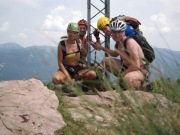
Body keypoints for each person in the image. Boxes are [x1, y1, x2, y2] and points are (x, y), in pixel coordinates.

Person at [94, 18, 149, 89]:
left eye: (119, 32)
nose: (116, 34)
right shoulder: (118, 44)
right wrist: (101, 47)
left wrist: (121, 76)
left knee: (128, 79)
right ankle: (118, 83)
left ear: (124, 32)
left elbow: (136, 65)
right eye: (114, 32)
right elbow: (114, 54)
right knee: (105, 61)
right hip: (126, 67)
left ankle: (141, 85)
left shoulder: (129, 42)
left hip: (139, 70)